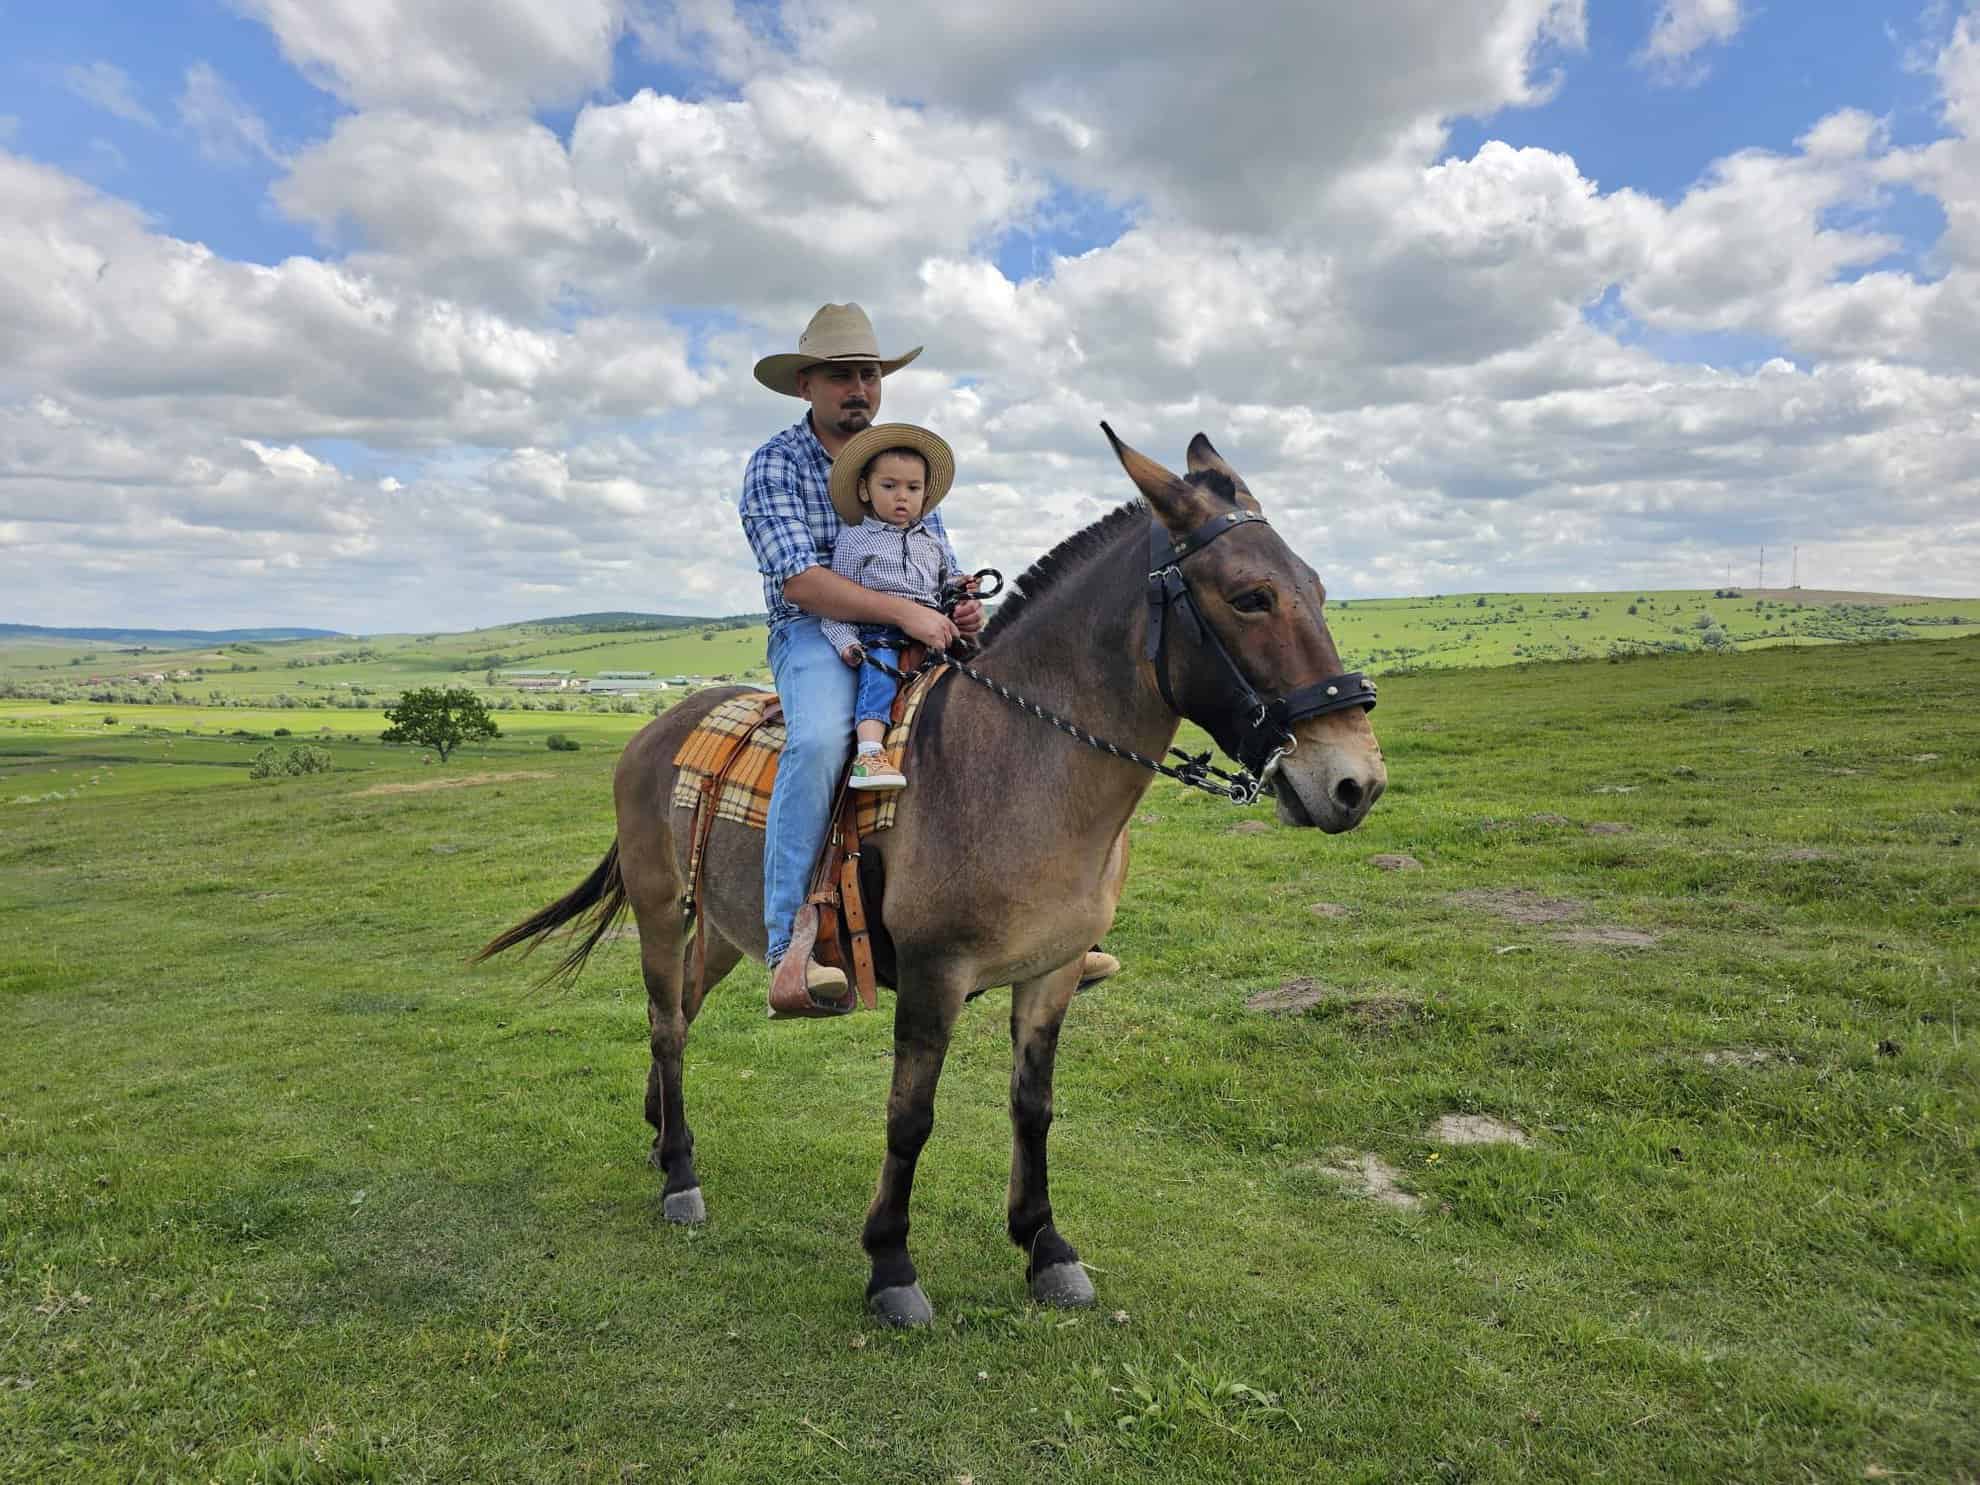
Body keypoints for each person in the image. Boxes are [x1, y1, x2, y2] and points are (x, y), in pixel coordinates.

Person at [741, 304, 982, 1015]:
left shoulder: (899, 463)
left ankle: (1032, 910)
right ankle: (791, 942)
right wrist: (906, 612)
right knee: (818, 741)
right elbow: (800, 579)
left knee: (1001, 719)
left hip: (916, 630)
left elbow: (941, 562)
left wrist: (960, 605)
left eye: (869, 374)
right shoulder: (776, 463)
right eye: (842, 375)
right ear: (805, 384)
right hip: (816, 631)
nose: (859, 388)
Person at [817, 423, 967, 791]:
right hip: (881, 630)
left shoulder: (932, 543)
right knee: (879, 679)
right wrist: (845, 643)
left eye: (913, 488)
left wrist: (963, 588)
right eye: (889, 486)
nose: (902, 497)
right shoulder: (854, 541)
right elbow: (837, 604)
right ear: (865, 490)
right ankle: (869, 754)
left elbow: (947, 582)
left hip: (934, 631)